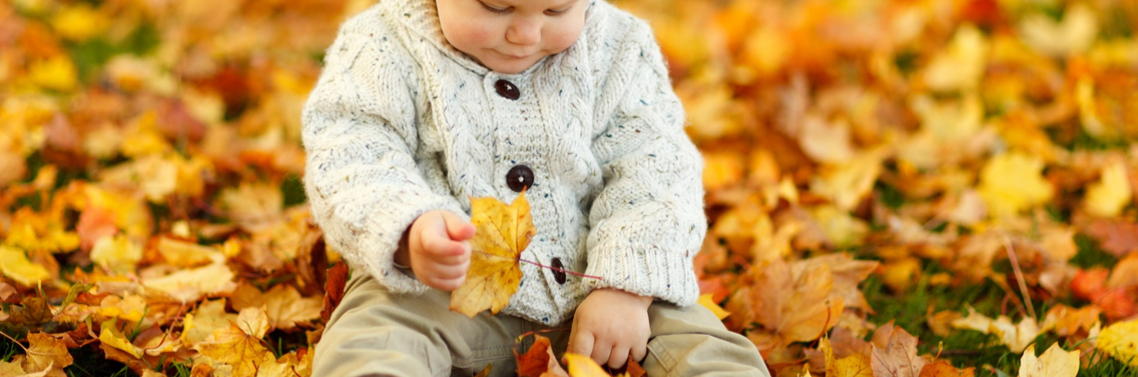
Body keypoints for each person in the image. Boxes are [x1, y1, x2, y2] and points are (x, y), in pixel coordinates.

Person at [302, 0, 771, 375]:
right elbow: (350, 151)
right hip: (441, 293)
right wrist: (406, 229)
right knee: (373, 339)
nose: (525, 34)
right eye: (496, 8)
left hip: (594, 284)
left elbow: (655, 166)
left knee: (703, 345)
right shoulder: (381, 46)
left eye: (556, 11)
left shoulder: (619, 46)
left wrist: (627, 284)